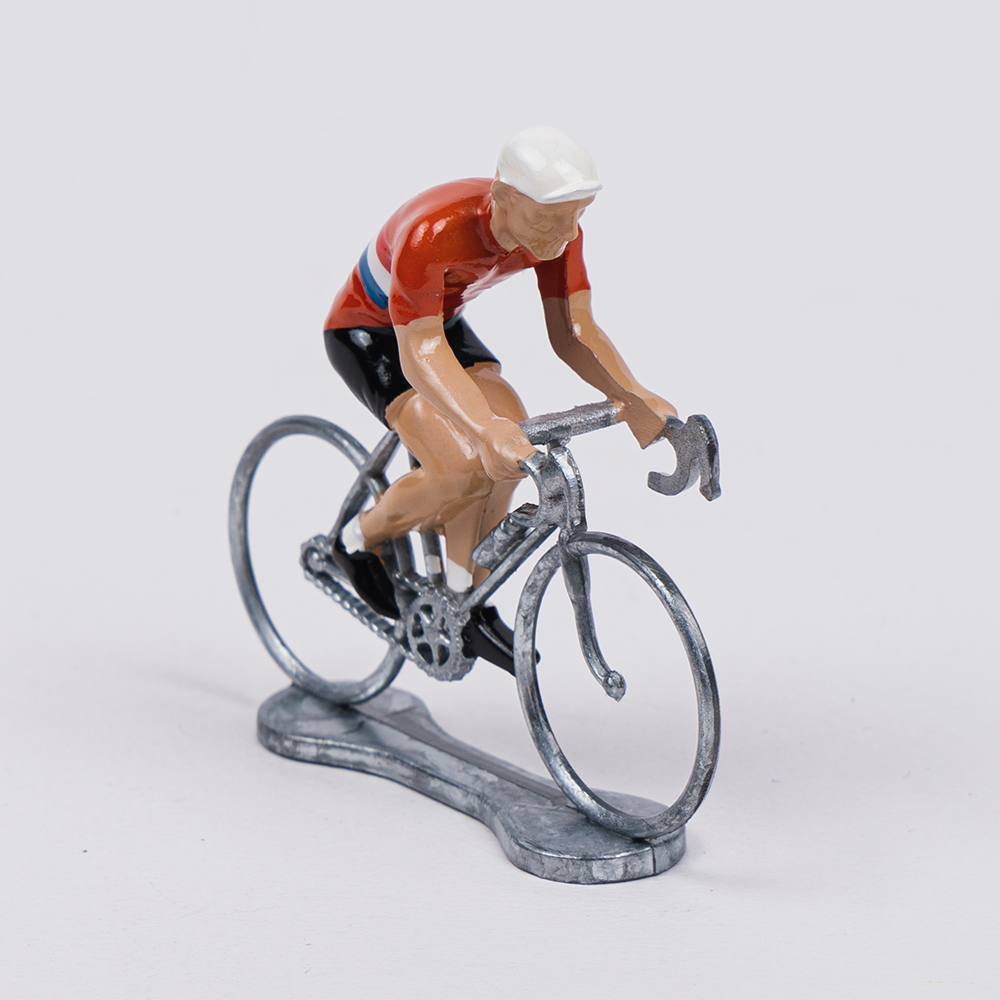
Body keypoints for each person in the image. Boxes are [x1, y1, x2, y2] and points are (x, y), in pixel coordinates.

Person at [323, 126, 677, 670]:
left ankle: (466, 598)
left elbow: (574, 329)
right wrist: (481, 427)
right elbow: (419, 351)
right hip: (373, 334)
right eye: (548, 222)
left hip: (440, 323)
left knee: (510, 454)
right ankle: (356, 540)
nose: (564, 236)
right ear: (503, 197)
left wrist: (631, 396)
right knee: (460, 464)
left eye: (576, 217)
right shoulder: (433, 232)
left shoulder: (555, 227)